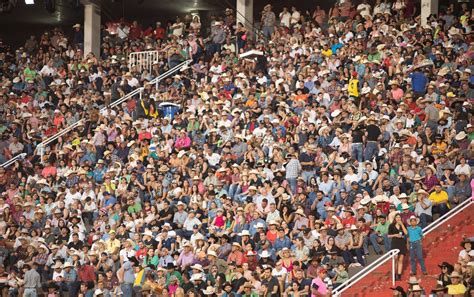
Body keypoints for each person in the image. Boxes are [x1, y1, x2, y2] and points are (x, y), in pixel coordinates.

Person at [388, 214, 408, 280]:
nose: (398, 218)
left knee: (401, 259)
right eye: (397, 217)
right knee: (395, 258)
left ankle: (399, 275)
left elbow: (406, 233)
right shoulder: (391, 225)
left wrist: (402, 225)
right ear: (395, 218)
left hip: (402, 243)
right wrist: (395, 235)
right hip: (394, 242)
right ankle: (394, 274)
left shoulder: (403, 225)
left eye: (399, 217)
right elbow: (388, 235)